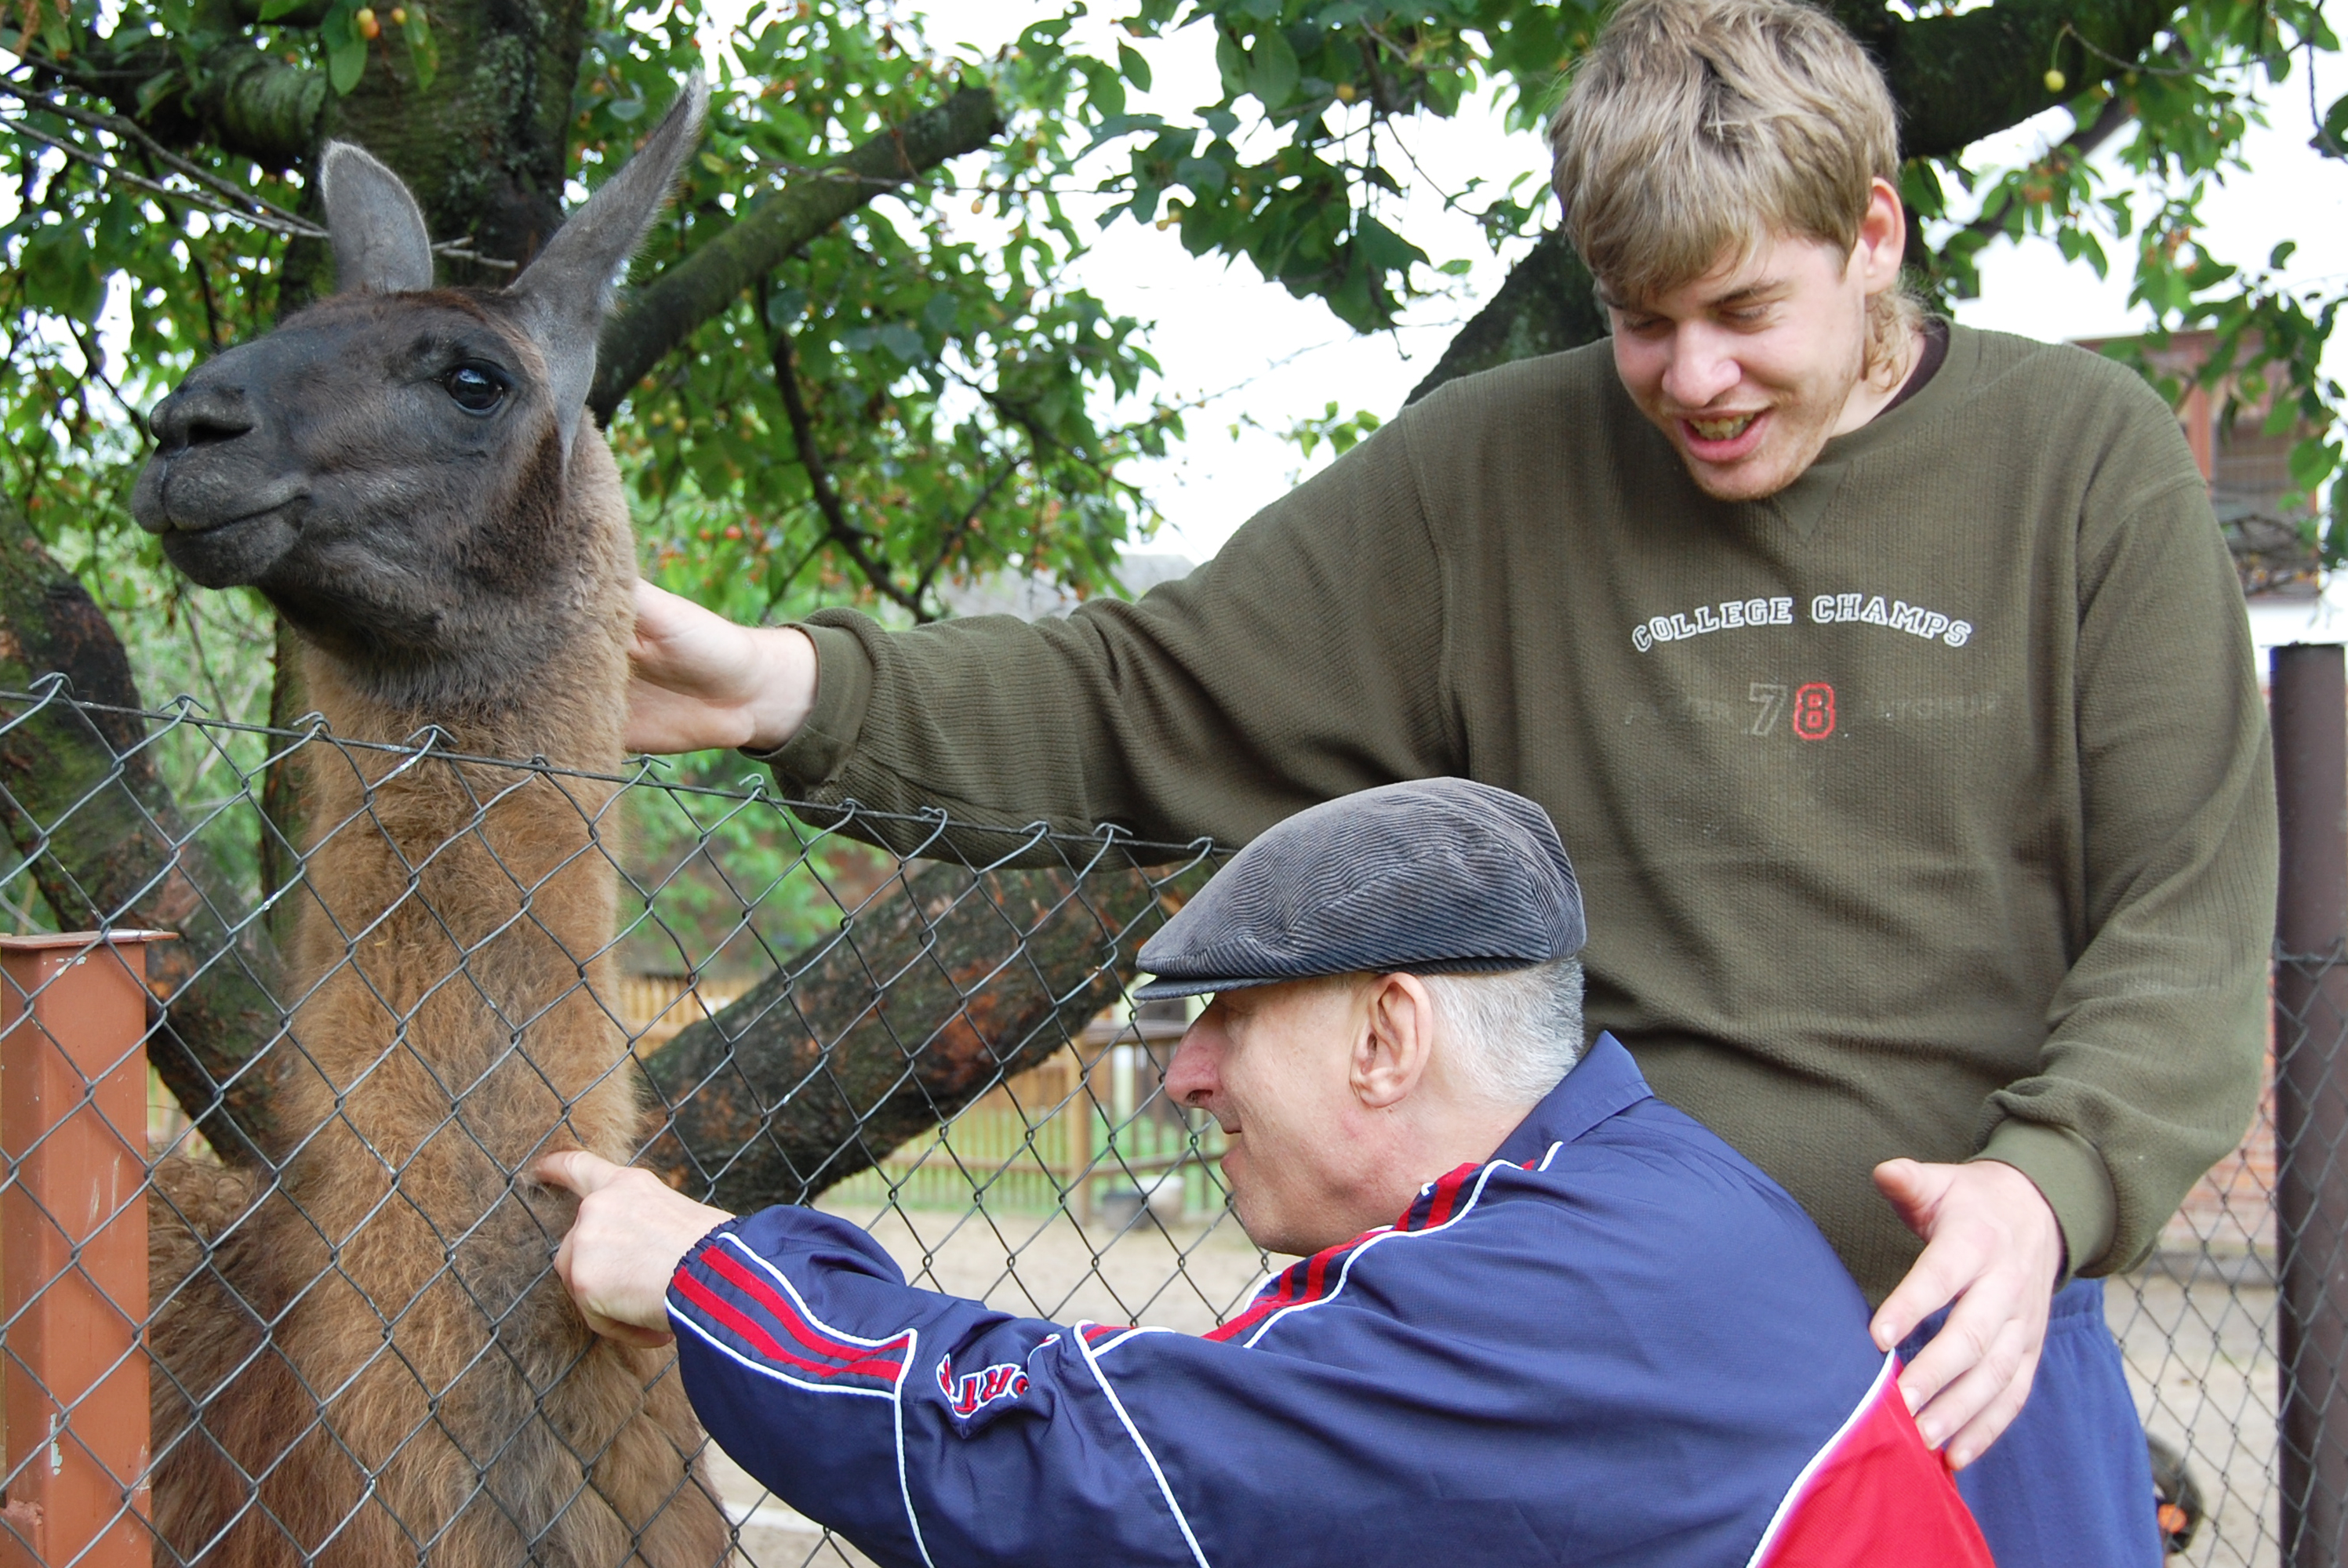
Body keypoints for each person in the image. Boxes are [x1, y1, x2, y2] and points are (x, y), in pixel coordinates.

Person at [616, 0, 2276, 1559]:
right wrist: (790, 687)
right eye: (1643, 322)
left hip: (1969, 1336)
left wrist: (2049, 1192)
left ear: (1873, 233)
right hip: (1600, 1371)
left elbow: (2184, 912)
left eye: (1745, 313)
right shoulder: (1494, 474)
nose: (1692, 380)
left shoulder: (2085, 461)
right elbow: (1149, 689)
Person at [540, 779, 1994, 1567]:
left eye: (1227, 1014)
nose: (1184, 1073)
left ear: (1387, 1033)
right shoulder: (1647, 1188)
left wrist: (705, 1272)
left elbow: (1075, 1474)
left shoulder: (1535, 1301)